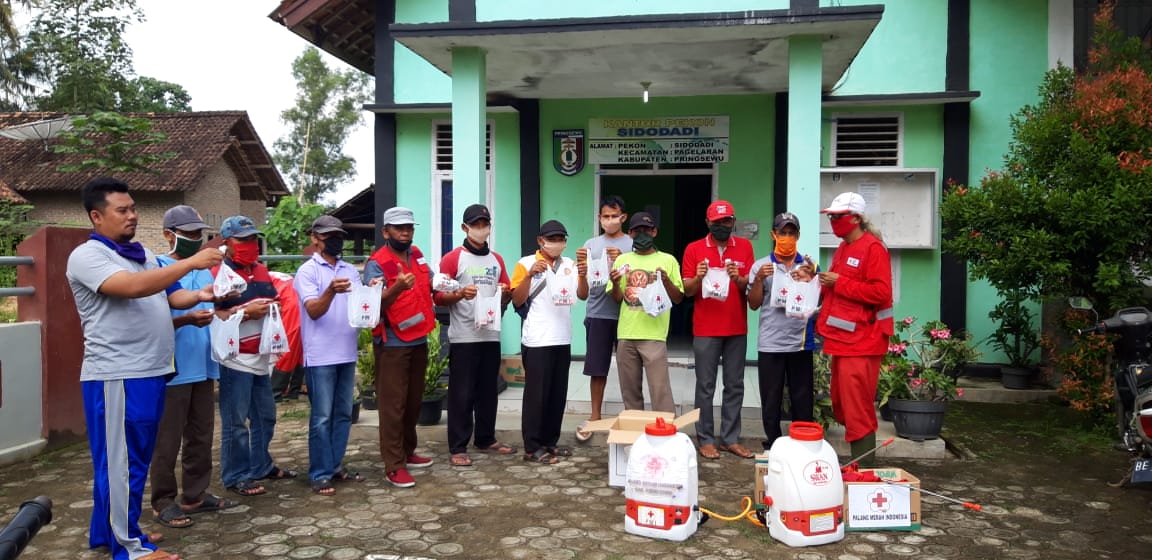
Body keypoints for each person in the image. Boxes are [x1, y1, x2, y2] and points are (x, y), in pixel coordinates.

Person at [67, 177, 224, 560]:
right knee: (123, 464)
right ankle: (130, 548)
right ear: (96, 216)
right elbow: (133, 288)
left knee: (128, 460)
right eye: (122, 210)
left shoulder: (144, 255)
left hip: (150, 372)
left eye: (134, 208)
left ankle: (115, 532)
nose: (132, 216)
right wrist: (190, 260)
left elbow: (174, 295)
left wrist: (202, 294)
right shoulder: (88, 256)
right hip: (118, 374)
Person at [149, 205, 238, 532]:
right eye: (186, 234)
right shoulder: (157, 268)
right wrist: (187, 319)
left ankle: (195, 494)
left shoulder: (203, 271)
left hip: (203, 364)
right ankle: (162, 501)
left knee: (201, 434)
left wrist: (226, 314)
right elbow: (155, 319)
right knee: (167, 438)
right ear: (168, 235)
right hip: (172, 366)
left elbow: (211, 308)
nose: (193, 239)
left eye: (197, 233)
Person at [214, 215, 298, 498]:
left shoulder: (261, 271)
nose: (250, 244)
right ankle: (235, 475)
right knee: (236, 422)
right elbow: (214, 314)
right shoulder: (218, 273)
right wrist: (246, 312)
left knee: (266, 417)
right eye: (243, 240)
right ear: (227, 242)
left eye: (253, 239)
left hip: (261, 357)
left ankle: (260, 464)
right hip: (235, 359)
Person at [435, 204, 517, 468]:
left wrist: (505, 292)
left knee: (487, 391)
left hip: (490, 334)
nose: (482, 228)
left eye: (485, 223)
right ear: (465, 228)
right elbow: (437, 295)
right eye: (476, 224)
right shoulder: (453, 258)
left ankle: (485, 438)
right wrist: (459, 294)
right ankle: (457, 446)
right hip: (464, 336)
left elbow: (507, 290)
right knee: (462, 393)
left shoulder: (497, 260)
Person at [816, 192, 894, 467]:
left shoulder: (873, 248)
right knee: (841, 403)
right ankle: (857, 465)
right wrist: (818, 279)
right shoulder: (843, 248)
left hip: (864, 340)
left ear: (856, 218)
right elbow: (836, 286)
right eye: (831, 217)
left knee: (856, 407)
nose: (833, 222)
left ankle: (863, 471)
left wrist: (838, 282)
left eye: (838, 217)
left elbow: (880, 292)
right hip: (843, 339)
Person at [364, 207, 437, 487]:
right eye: (399, 228)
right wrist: (396, 288)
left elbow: (430, 283)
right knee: (392, 405)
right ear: (386, 232)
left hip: (418, 337)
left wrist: (449, 288)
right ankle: (393, 465)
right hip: (392, 343)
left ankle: (408, 451)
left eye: (409, 227)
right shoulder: (377, 263)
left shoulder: (416, 254)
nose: (405, 232)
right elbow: (372, 306)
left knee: (413, 401)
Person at [295, 215, 365, 496]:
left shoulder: (350, 269)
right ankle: (319, 473)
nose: (335, 240)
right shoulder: (307, 272)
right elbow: (313, 310)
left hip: (346, 351)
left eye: (338, 235)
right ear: (315, 238)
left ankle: (335, 466)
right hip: (320, 354)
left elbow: (361, 305)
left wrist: (372, 295)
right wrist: (331, 291)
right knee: (322, 416)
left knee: (342, 414)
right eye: (328, 236)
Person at [681, 200, 754, 460]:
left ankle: (730, 438)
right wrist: (698, 278)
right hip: (706, 327)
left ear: (733, 222)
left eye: (727, 221)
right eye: (717, 222)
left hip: (736, 327)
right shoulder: (694, 249)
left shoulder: (745, 247)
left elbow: (750, 288)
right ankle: (706, 439)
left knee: (735, 385)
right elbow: (686, 292)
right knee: (705, 386)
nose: (723, 226)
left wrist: (740, 279)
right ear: (707, 223)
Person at [747, 212, 820, 451]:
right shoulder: (761, 266)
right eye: (782, 233)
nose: (786, 237)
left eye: (791, 233)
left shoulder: (808, 266)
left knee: (802, 398)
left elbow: (819, 298)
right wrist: (758, 279)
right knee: (771, 400)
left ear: (798, 236)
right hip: (771, 342)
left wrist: (812, 277)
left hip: (800, 342)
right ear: (773, 235)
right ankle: (774, 446)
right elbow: (754, 304)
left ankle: (802, 445)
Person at [510, 220, 577, 464]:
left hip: (562, 337)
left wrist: (588, 271)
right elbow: (517, 299)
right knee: (536, 395)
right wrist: (529, 276)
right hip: (537, 338)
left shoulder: (569, 265)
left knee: (557, 394)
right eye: (552, 239)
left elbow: (581, 294)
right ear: (541, 240)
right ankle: (532, 447)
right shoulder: (525, 263)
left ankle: (550, 441)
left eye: (561, 239)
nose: (557, 243)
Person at [609, 212, 685, 414]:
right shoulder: (622, 260)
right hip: (626, 334)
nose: (642, 234)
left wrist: (666, 280)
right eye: (637, 230)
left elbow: (678, 298)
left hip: (654, 335)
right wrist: (616, 283)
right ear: (630, 233)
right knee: (630, 392)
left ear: (654, 232)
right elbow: (616, 298)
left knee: (660, 391)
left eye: (646, 230)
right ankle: (635, 437)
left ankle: (666, 436)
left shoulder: (667, 260)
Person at [574, 195, 631, 441]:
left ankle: (632, 415)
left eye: (614, 216)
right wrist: (581, 273)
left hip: (629, 315)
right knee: (598, 368)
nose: (609, 220)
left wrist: (622, 259)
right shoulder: (590, 244)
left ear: (623, 217)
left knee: (631, 370)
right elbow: (583, 293)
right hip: (598, 313)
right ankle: (595, 416)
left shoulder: (632, 245)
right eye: (605, 216)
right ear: (599, 218)